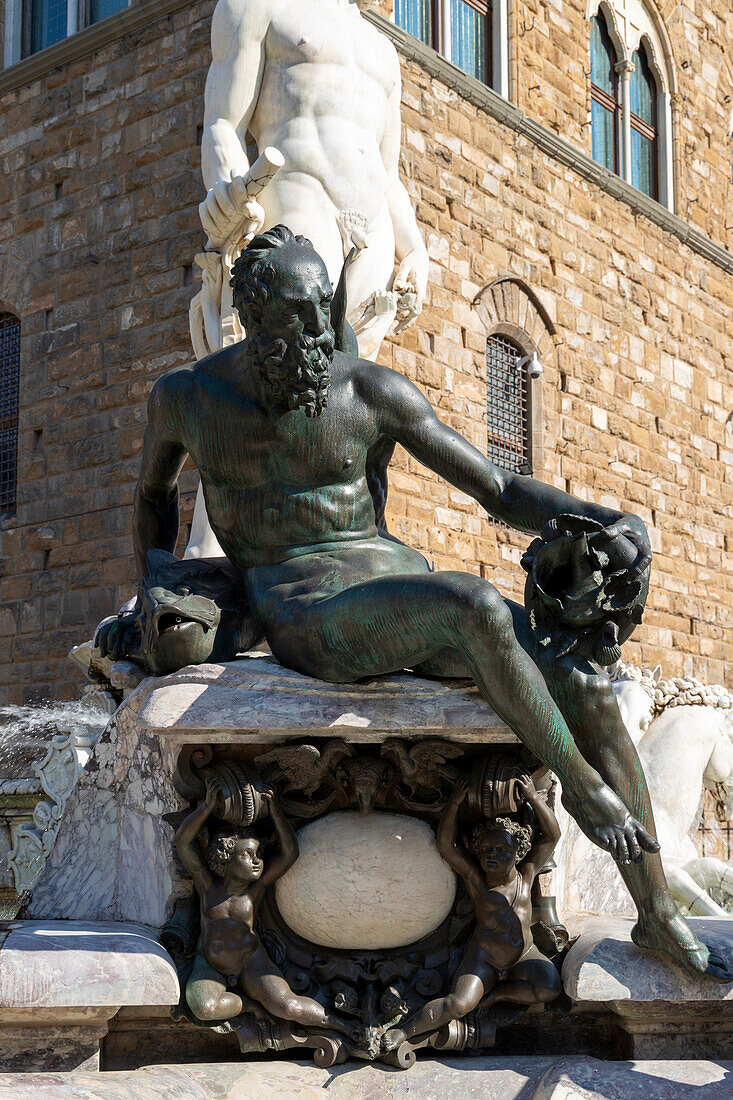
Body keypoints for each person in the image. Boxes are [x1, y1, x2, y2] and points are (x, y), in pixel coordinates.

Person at [125, 225, 727, 980]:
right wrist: (157, 580)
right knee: (472, 604)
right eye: (300, 316)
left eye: (323, 310)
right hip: (308, 611)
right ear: (255, 316)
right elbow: (150, 497)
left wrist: (600, 520)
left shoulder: (368, 391)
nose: (320, 331)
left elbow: (498, 489)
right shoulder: (188, 397)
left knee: (582, 678)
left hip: (395, 591)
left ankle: (657, 915)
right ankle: (583, 792)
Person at [187, 0, 429, 556]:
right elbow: (223, 123)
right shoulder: (255, 5)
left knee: (351, 403)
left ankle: (342, 548)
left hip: (371, 228)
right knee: (262, 383)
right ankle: (208, 552)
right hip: (297, 195)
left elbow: (388, 173)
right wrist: (226, 192)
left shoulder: (382, 49)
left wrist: (414, 247)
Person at [382, 774, 562, 1052]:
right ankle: (404, 1031)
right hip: (484, 960)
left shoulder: (526, 876)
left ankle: (496, 995)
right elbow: (447, 845)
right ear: (477, 852)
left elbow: (552, 836)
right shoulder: (477, 881)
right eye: (487, 849)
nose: (493, 855)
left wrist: (534, 798)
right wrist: (454, 803)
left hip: (524, 955)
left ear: (518, 852)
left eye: (502, 849)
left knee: (550, 988)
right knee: (458, 1003)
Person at [175, 777, 356, 1034]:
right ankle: (247, 1005)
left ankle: (341, 1025)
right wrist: (205, 807)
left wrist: (276, 813)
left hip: (252, 964)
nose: (257, 860)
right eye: (247, 855)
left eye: (258, 854)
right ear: (226, 858)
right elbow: (183, 842)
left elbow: (289, 852)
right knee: (204, 1008)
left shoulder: (254, 891)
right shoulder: (208, 886)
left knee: (289, 1006)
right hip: (209, 965)